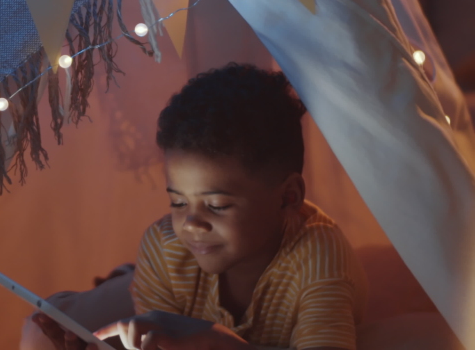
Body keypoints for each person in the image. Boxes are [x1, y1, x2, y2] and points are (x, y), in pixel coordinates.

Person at [34, 63, 368, 350]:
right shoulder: (165, 246)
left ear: (288, 197)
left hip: (194, 281)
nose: (191, 223)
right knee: (43, 330)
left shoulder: (319, 259)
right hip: (174, 270)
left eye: (218, 205)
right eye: (177, 201)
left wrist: (224, 344)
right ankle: (122, 278)